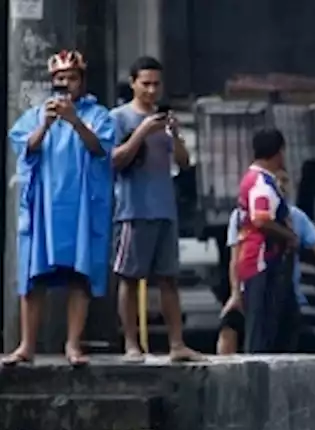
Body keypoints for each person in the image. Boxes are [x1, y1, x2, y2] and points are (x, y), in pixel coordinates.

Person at [4, 49, 114, 367]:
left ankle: (73, 344)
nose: (66, 84)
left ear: (82, 81)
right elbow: (25, 149)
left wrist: (74, 121)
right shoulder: (38, 115)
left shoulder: (98, 115)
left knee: (79, 276)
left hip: (79, 207)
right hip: (44, 208)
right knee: (33, 276)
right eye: (60, 79)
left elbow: (101, 150)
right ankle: (26, 346)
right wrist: (47, 124)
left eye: (72, 78)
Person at [110, 55, 203, 363]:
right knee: (129, 277)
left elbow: (184, 162)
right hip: (133, 208)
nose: (151, 90)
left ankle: (177, 343)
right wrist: (142, 132)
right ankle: (131, 343)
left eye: (156, 84)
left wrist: (174, 134)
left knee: (168, 278)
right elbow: (115, 160)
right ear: (134, 83)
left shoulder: (165, 119)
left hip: (164, 206)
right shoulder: (119, 117)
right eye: (145, 84)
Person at [218, 200, 315, 354]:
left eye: (284, 180)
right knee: (230, 327)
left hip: (284, 297)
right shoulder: (241, 216)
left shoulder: (294, 217)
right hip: (251, 292)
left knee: (278, 346)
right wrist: (235, 293)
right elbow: (235, 259)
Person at [233, 128, 300, 353]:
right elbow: (261, 219)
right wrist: (289, 236)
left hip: (257, 260)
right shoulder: (262, 183)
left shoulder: (256, 179)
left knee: (266, 325)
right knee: (261, 327)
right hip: (261, 261)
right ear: (279, 152)